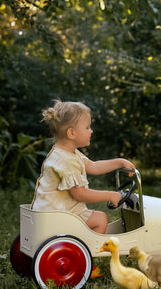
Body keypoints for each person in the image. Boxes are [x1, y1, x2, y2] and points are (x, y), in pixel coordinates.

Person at [31, 100, 135, 234]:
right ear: (71, 133)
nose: (91, 131)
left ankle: (81, 244)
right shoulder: (66, 160)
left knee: (96, 218)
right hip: (58, 215)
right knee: (100, 219)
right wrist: (110, 195)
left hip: (54, 211)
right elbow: (80, 194)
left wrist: (119, 162)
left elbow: (94, 167)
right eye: (87, 127)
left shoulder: (67, 153)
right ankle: (87, 251)